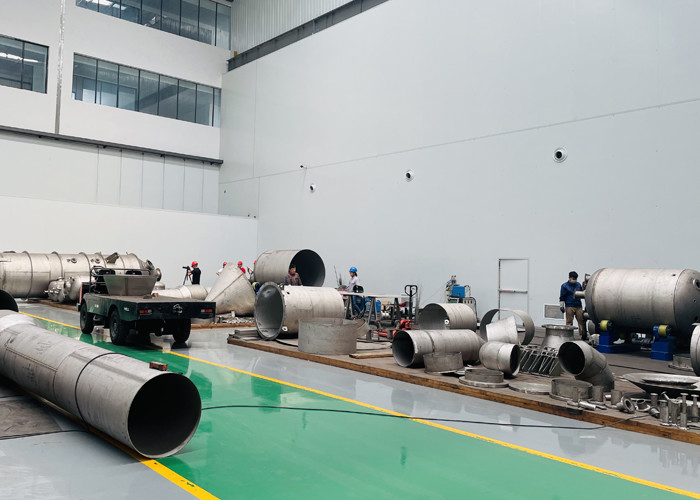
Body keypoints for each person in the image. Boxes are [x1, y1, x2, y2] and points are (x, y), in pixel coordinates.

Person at [560, 271, 586, 340]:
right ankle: (568, 336)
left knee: (581, 321)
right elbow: (562, 296)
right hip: (569, 306)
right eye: (573, 278)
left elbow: (582, 294)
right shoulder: (564, 286)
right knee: (569, 322)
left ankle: (583, 335)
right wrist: (561, 306)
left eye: (575, 279)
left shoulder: (578, 285)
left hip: (578, 306)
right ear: (569, 278)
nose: (574, 280)